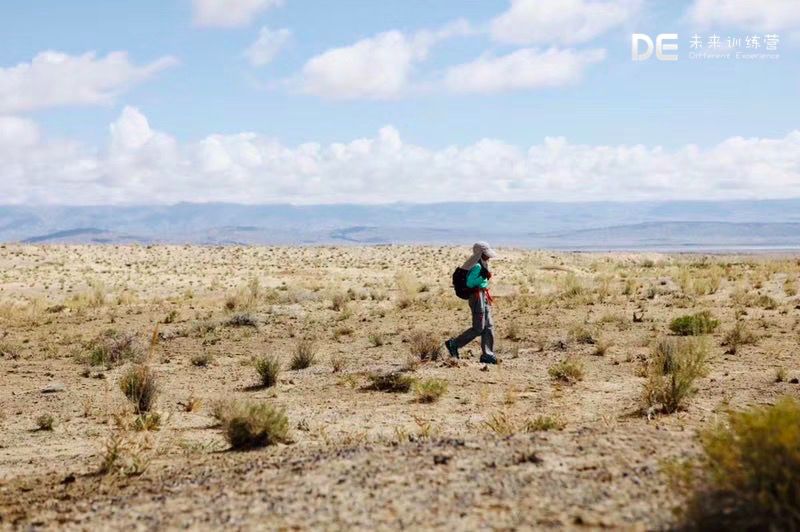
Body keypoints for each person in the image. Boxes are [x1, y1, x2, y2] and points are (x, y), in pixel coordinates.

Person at [446, 241, 498, 364]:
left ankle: (488, 354)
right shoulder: (477, 266)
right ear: (480, 253)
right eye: (486, 254)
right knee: (479, 327)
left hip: (483, 295)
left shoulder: (482, 263)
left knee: (489, 325)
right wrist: (482, 277)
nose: (489, 257)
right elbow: (470, 283)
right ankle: (454, 344)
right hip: (477, 297)